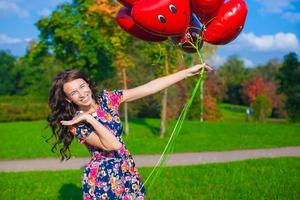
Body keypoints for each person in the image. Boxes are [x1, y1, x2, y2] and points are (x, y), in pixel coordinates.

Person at [47, 63, 213, 200]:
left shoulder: (108, 99)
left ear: (88, 84)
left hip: (126, 168)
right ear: (68, 99)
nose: (82, 94)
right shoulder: (75, 123)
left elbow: (149, 87)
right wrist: (89, 119)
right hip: (104, 177)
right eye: (74, 93)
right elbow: (112, 144)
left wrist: (187, 72)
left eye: (82, 86)